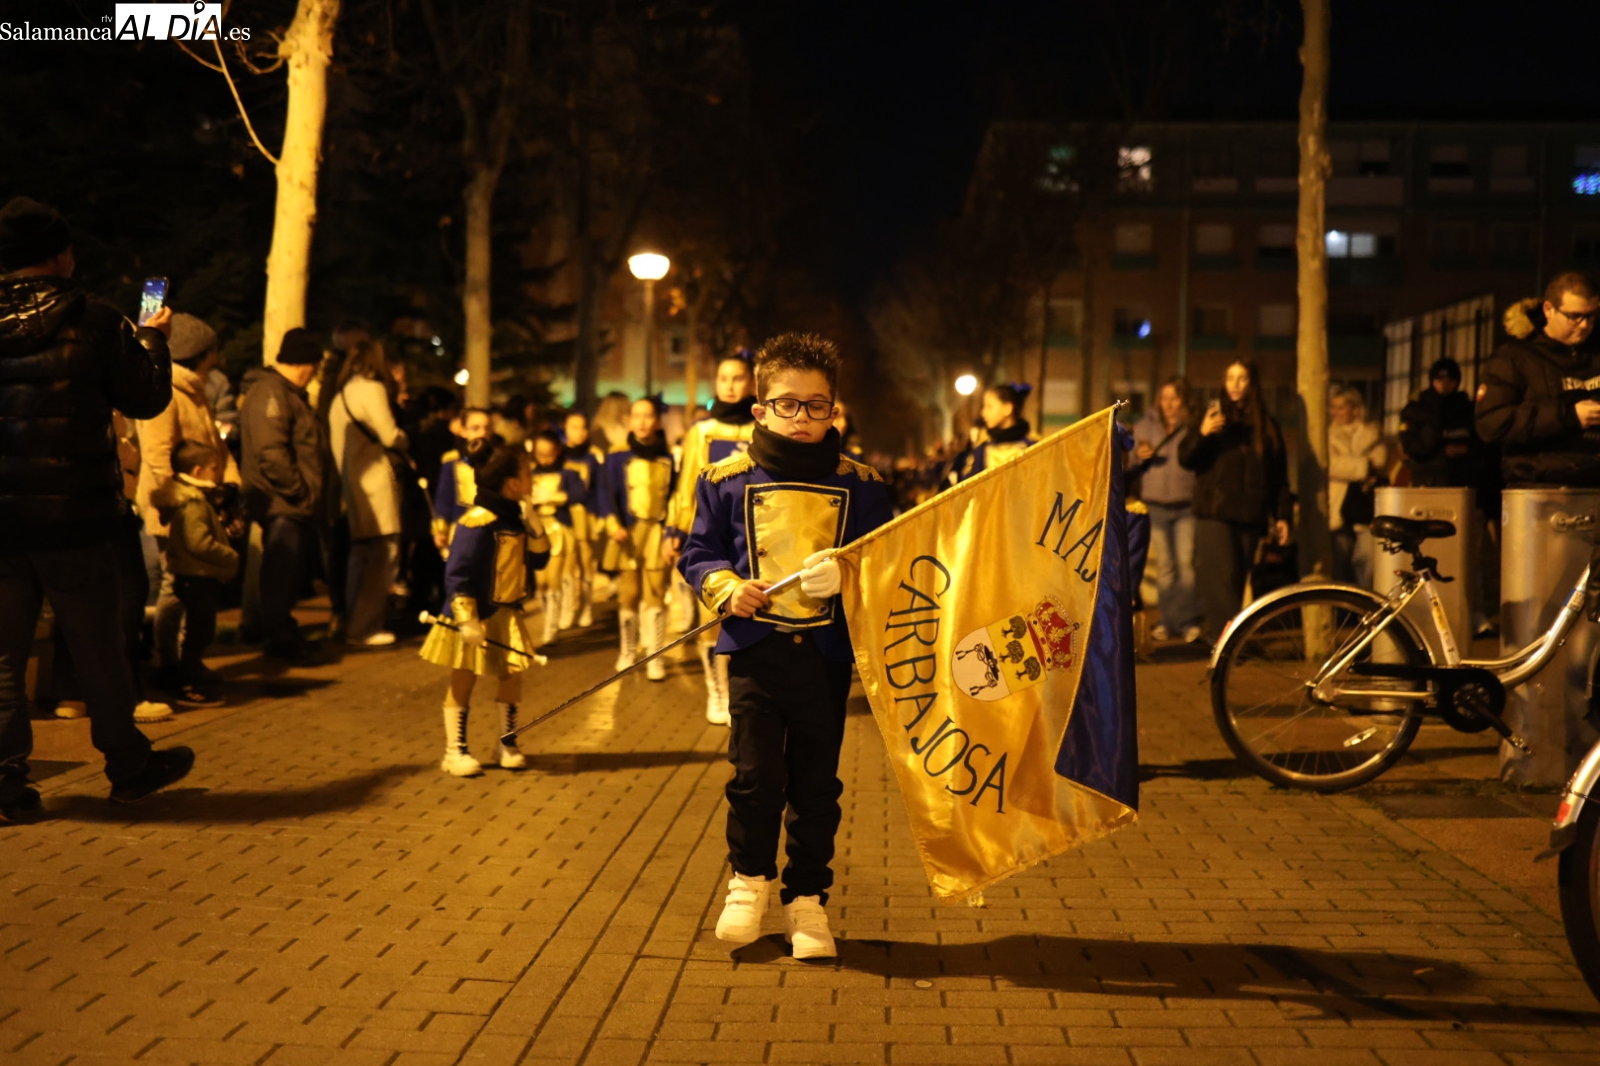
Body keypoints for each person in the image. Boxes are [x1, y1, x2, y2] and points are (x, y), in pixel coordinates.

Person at [678, 332, 893, 959]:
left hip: (824, 658)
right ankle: (748, 882)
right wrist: (726, 587)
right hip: (754, 652)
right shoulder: (723, 479)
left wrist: (849, 574)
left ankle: (807, 901)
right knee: (754, 776)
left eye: (816, 405)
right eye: (787, 404)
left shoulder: (864, 484)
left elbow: (889, 558)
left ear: (834, 409)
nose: (802, 417)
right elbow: (699, 552)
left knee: (816, 784)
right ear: (761, 409)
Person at [0, 195, 195, 817]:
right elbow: (145, 398)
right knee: (99, 646)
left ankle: (6, 785)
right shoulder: (95, 319)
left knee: (2, 658)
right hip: (76, 517)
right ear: (60, 256)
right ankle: (128, 765)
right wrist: (154, 339)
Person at [418, 437, 549, 776]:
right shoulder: (477, 522)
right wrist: (467, 619)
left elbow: (539, 561)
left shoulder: (516, 518)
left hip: (506, 613)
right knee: (464, 678)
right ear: (512, 483)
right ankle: (455, 751)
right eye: (527, 473)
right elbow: (457, 573)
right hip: (475, 614)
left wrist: (536, 527)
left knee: (513, 676)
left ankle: (506, 743)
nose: (533, 478)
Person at [134, 312, 242, 697]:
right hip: (177, 509)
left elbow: (215, 445)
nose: (216, 359)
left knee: (190, 590)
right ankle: (169, 664)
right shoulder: (167, 392)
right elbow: (158, 455)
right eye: (211, 352)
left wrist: (231, 484)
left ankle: (188, 661)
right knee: (174, 588)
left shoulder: (195, 391)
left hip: (200, 503)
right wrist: (174, 502)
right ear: (200, 354)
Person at [665, 350, 757, 725]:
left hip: (755, 535)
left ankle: (743, 690)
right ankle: (716, 690)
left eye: (738, 378)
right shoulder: (701, 431)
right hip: (713, 534)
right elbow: (687, 483)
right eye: (723, 379)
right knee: (713, 615)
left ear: (752, 383)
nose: (730, 386)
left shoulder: (763, 427)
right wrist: (675, 530)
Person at [1179, 358, 1292, 643]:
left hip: (1250, 515)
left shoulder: (1266, 425)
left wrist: (1282, 515)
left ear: (1252, 383)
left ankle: (1225, 641)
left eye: (1242, 378)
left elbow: (1278, 476)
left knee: (1237, 582)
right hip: (1214, 513)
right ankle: (1227, 644)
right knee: (1221, 582)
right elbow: (1186, 458)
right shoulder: (1213, 418)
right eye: (1230, 378)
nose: (1236, 385)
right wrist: (1203, 433)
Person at [239, 328, 325, 661]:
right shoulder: (273, 393)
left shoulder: (282, 393)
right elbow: (271, 452)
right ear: (305, 364)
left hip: (287, 501)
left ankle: (283, 631)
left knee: (286, 573)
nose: (314, 374)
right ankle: (280, 639)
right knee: (281, 573)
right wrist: (299, 491)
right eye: (314, 366)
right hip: (282, 501)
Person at [1477, 272, 1600, 488]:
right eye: (1574, 316)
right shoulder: (1514, 357)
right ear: (1549, 310)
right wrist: (1570, 416)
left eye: (1591, 316)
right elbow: (1492, 423)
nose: (1584, 325)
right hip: (1540, 487)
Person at [327, 340, 409, 647]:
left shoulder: (341, 395)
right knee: (383, 554)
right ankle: (365, 626)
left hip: (351, 482)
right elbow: (388, 434)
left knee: (360, 555)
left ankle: (353, 622)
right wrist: (403, 438)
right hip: (374, 481)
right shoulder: (372, 390)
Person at [150, 443, 240, 702]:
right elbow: (198, 543)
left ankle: (185, 673)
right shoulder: (194, 503)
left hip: (192, 574)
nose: (217, 473)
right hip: (198, 576)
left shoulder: (188, 499)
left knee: (196, 629)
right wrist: (228, 555)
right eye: (213, 468)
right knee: (200, 631)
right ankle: (189, 681)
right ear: (198, 471)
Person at [598, 397, 676, 680]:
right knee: (629, 594)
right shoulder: (616, 456)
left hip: (656, 532)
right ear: (629, 420)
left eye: (648, 416)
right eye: (636, 416)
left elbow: (674, 496)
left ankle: (655, 656)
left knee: (656, 593)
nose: (642, 422)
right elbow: (605, 492)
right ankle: (628, 651)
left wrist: (672, 531)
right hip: (628, 533)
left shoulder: (667, 457)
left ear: (657, 421)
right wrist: (613, 525)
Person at [1129, 376, 1201, 643]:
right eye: (1164, 398)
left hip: (1187, 506)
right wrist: (1139, 456)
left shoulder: (1194, 427)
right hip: (1156, 505)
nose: (1169, 404)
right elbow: (1129, 462)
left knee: (1187, 565)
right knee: (1166, 567)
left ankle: (1188, 620)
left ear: (1184, 400)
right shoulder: (1144, 426)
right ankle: (1168, 621)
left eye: (1174, 398)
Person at [526, 431, 586, 646]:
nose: (544, 459)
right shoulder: (530, 473)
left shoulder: (569, 472)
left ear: (558, 451)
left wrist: (554, 497)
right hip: (537, 530)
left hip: (559, 529)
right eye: (539, 454)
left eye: (548, 454)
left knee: (554, 578)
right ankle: (549, 615)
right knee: (541, 583)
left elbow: (580, 494)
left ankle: (551, 627)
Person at [1327, 387, 1386, 588]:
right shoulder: (1327, 436)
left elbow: (1380, 460)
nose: (1336, 412)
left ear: (1355, 408)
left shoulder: (1372, 432)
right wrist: (1363, 466)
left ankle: (1364, 601)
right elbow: (1330, 465)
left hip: (1365, 507)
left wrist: (1350, 465)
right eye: (1333, 407)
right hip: (1338, 508)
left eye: (1341, 407)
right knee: (1341, 564)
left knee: (1367, 561)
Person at [1400, 358, 1480, 488]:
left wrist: (1464, 449)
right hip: (1427, 476)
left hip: (1462, 477)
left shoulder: (1466, 408)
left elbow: (1480, 442)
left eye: (1450, 380)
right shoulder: (1416, 409)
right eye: (1440, 380)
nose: (1444, 384)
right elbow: (1411, 446)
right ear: (1432, 381)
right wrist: (1441, 452)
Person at [561, 410, 605, 629]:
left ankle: (586, 607)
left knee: (587, 564)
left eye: (583, 427)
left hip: (586, 518)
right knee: (566, 565)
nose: (579, 432)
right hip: (563, 518)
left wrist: (599, 516)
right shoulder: (559, 455)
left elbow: (599, 488)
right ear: (565, 429)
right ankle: (568, 608)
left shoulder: (593, 456)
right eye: (574, 427)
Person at [432, 406, 494, 553]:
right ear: (464, 431)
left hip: (493, 531)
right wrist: (440, 529)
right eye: (475, 428)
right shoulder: (453, 463)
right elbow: (444, 498)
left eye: (487, 428)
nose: (482, 433)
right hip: (462, 531)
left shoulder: (499, 461)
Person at [959, 383, 1036, 480]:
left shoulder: (1033, 448)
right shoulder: (981, 450)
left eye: (989, 406)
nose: (983, 413)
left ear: (1007, 409)